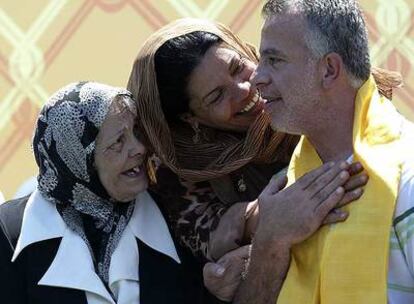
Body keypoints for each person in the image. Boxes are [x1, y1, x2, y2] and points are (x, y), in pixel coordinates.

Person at [126, 18, 393, 301]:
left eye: (238, 67)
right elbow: (218, 257)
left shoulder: (316, 85)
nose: (244, 89)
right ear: (191, 118)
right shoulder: (181, 171)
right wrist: (272, 226)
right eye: (217, 96)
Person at [238, 0, 413, 303]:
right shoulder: (289, 190)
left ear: (329, 69)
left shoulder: (405, 177)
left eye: (275, 60)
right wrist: (268, 242)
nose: (257, 78)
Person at [0, 82, 215, 304]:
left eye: (136, 131)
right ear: (77, 159)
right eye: (118, 141)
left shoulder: (174, 209)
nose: (140, 148)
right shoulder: (8, 232)